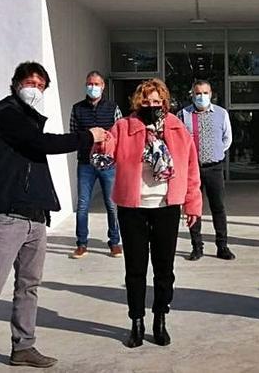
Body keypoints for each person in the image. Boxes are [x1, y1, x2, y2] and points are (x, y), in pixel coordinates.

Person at [0, 62, 106, 373]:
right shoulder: (5, 114)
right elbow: (41, 144)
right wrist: (88, 137)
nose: (35, 89)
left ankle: (24, 346)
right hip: (5, 216)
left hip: (34, 216)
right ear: (15, 84)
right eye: (30, 82)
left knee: (29, 285)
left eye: (41, 85)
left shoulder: (28, 118)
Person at [93, 79, 202, 349]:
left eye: (156, 102)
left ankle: (160, 318)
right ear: (137, 103)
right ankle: (137, 320)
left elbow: (190, 170)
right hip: (133, 208)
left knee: (165, 269)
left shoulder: (177, 129)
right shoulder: (123, 127)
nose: (151, 106)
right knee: (135, 269)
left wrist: (192, 204)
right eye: (146, 101)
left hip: (166, 206)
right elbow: (104, 157)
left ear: (164, 103)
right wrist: (101, 142)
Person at [176, 79, 235, 261]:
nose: (201, 96)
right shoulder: (183, 115)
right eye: (198, 93)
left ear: (211, 94)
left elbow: (227, 139)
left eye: (205, 93)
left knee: (218, 207)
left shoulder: (221, 113)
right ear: (192, 95)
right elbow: (178, 141)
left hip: (214, 168)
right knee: (194, 209)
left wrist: (214, 152)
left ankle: (222, 246)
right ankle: (197, 246)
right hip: (192, 170)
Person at [68, 71, 123, 259]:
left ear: (103, 86)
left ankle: (114, 242)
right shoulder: (77, 109)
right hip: (85, 163)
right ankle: (82, 243)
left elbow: (119, 133)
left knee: (111, 204)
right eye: (90, 83)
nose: (93, 87)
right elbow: (74, 135)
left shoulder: (113, 107)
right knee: (83, 204)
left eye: (96, 83)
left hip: (108, 164)